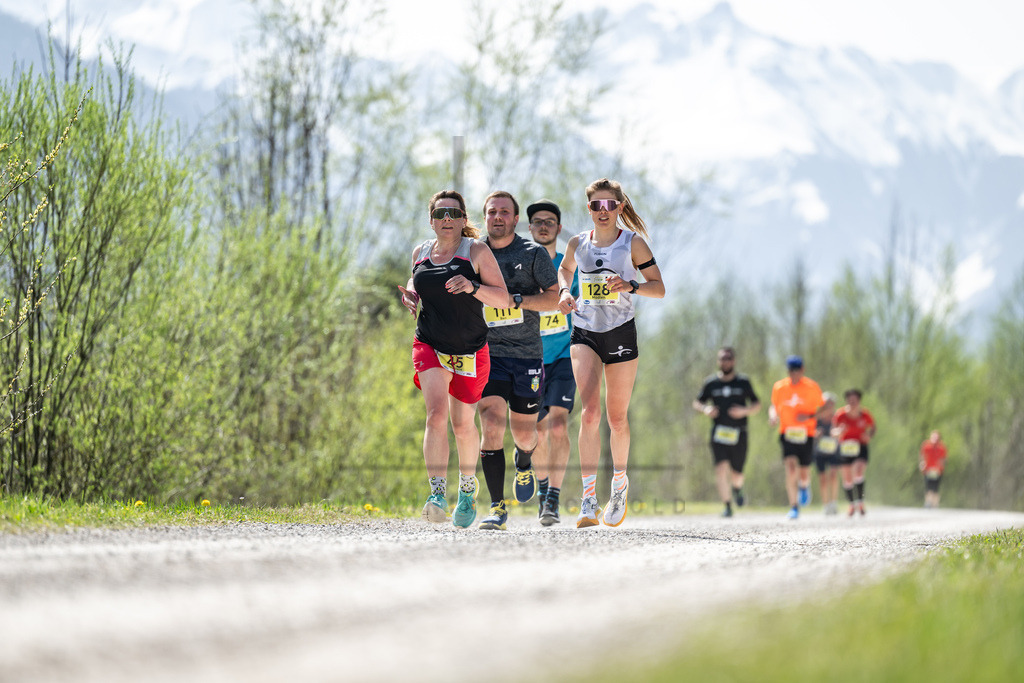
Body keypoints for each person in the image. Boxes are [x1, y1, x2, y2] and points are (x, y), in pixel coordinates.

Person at [556, 178, 665, 528]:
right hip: (584, 331)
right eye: (596, 206)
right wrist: (563, 293)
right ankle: (588, 499)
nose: (603, 212)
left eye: (610, 205)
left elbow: (659, 289)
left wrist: (630, 285)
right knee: (588, 413)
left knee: (616, 418)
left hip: (620, 332)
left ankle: (619, 484)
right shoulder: (577, 243)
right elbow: (564, 270)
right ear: (588, 209)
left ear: (619, 208)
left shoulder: (633, 244)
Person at [398, 190, 509, 528]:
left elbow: (503, 299)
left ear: (463, 220)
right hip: (429, 343)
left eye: (453, 213)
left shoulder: (475, 251)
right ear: (431, 220)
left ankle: (465, 488)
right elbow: (415, 281)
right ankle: (435, 493)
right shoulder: (420, 252)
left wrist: (472, 287)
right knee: (435, 415)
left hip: (469, 349)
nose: (447, 219)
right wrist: (411, 295)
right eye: (440, 213)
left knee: (462, 424)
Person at [475, 191, 560, 531]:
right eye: (492, 212)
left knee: (525, 435)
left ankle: (524, 461)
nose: (498, 217)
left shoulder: (532, 253)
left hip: (526, 354)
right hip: (488, 353)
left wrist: (517, 300)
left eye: (504, 212)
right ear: (484, 217)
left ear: (514, 219)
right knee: (491, 424)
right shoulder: (472, 252)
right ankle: (497, 507)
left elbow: (554, 299)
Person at [528, 199, 578, 526]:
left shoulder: (569, 268)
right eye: (537, 222)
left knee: (558, 425)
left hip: (564, 356)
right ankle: (543, 488)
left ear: (559, 228)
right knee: (538, 432)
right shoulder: (518, 268)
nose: (543, 226)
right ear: (530, 228)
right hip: (529, 358)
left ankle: (554, 499)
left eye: (550, 221)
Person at [693, 346, 761, 518]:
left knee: (737, 474)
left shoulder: (743, 382)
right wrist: (706, 409)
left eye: (728, 358)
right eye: (722, 358)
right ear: (718, 361)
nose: (725, 361)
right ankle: (727, 506)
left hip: (739, 433)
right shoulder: (711, 383)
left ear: (734, 360)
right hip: (719, 433)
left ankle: (737, 488)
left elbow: (757, 404)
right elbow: (697, 402)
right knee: (721, 469)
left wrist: (744, 411)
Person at [768, 355, 825, 520]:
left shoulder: (812, 387)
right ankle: (794, 506)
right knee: (791, 467)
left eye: (797, 370)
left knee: (804, 472)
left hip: (806, 434)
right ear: (787, 371)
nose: (794, 373)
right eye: (791, 370)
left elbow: (824, 409)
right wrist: (773, 416)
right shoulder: (779, 387)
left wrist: (808, 416)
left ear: (802, 370)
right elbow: (774, 406)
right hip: (787, 432)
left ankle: (804, 486)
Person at [832, 388, 877, 516]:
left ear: (859, 401)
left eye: (855, 400)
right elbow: (833, 432)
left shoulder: (865, 414)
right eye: (850, 400)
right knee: (847, 479)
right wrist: (839, 432)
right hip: (845, 447)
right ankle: (852, 504)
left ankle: (860, 502)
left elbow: (873, 428)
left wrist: (869, 435)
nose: (852, 402)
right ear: (846, 401)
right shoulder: (840, 415)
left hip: (860, 446)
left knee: (858, 472)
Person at [812, 393, 841, 515]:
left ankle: (834, 502)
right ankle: (825, 504)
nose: (829, 406)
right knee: (823, 479)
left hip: (834, 450)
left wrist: (838, 432)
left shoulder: (837, 418)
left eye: (831, 404)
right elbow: (810, 431)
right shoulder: (816, 418)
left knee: (833, 475)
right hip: (820, 451)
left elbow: (843, 429)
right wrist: (816, 433)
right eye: (826, 404)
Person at [919, 429, 948, 508]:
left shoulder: (942, 447)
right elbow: (922, 456)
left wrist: (940, 468)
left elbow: (943, 459)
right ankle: (928, 502)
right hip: (928, 469)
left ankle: (935, 504)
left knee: (935, 487)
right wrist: (922, 465)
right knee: (928, 486)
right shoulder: (926, 446)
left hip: (937, 470)